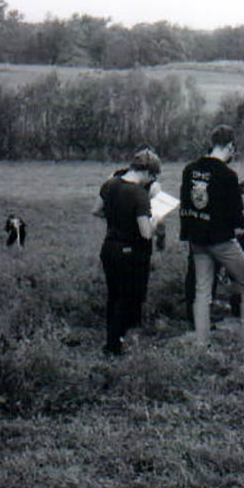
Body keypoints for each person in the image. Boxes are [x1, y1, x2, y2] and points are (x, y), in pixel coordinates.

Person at [180, 124, 244, 347]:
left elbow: (188, 205)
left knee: (202, 291)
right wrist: (243, 223)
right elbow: (236, 217)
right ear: (230, 146)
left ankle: (201, 343)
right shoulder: (227, 174)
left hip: (196, 239)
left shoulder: (190, 169)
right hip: (221, 241)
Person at [92, 148, 163, 355]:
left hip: (109, 247)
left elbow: (96, 210)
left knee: (114, 297)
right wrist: (156, 219)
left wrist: (118, 218)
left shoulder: (109, 184)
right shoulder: (139, 194)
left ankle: (113, 340)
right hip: (131, 252)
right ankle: (115, 346)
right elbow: (146, 233)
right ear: (148, 173)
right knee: (128, 298)